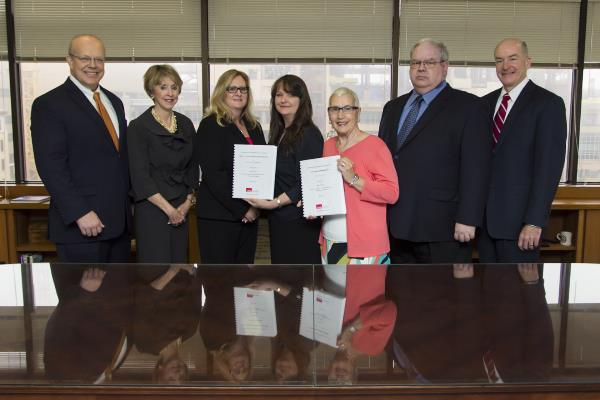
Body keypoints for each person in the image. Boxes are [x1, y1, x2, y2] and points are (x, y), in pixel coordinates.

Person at [378, 38, 491, 264]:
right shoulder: (393, 108)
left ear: (445, 66)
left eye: (429, 62)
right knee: (398, 295)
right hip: (395, 224)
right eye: (415, 62)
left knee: (443, 297)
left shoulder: (469, 107)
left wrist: (468, 218)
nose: (421, 68)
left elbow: (476, 168)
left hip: (444, 227)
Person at [31, 34, 131, 263]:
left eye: (99, 59)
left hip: (119, 226)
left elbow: (118, 158)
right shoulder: (49, 105)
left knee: (121, 298)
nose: (93, 65)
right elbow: (51, 166)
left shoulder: (114, 102)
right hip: (81, 228)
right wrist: (80, 213)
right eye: (85, 58)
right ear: (69, 60)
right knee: (83, 299)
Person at [478, 38, 567, 263]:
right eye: (499, 60)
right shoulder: (483, 104)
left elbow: (548, 169)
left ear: (528, 62)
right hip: (484, 224)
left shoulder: (548, 104)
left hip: (521, 226)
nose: (505, 66)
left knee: (519, 295)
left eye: (513, 58)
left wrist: (535, 222)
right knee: (485, 294)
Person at [245, 75, 323, 264]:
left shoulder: (309, 134)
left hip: (298, 221)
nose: (283, 100)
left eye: (290, 94)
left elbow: (306, 182)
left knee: (297, 283)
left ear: (301, 99)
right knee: (282, 280)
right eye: (279, 95)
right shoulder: (280, 132)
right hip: (280, 219)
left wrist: (272, 203)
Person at [127, 65, 197, 263]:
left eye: (174, 87)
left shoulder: (185, 124)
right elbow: (140, 177)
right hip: (153, 209)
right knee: (156, 272)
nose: (170, 93)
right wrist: (170, 210)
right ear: (152, 91)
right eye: (163, 87)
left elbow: (192, 167)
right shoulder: (138, 127)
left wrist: (185, 205)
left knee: (178, 270)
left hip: (181, 208)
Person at [195, 69, 265, 264]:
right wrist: (242, 209)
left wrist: (259, 205)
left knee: (244, 284)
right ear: (221, 93)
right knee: (220, 284)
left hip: (251, 215)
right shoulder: (211, 125)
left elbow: (263, 169)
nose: (238, 93)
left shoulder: (254, 126)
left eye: (243, 89)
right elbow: (214, 175)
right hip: (219, 217)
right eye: (232, 88)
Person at [322, 87, 399, 264]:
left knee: (366, 292)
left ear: (358, 112)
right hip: (329, 240)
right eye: (334, 109)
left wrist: (354, 179)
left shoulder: (376, 146)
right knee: (330, 292)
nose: (340, 116)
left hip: (366, 245)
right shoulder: (328, 145)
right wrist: (313, 202)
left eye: (347, 108)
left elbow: (392, 193)